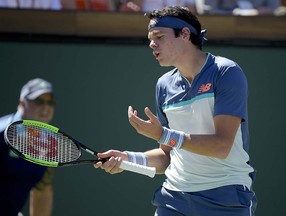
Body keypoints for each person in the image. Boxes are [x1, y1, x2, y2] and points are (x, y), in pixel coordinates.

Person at [95, 5, 257, 216]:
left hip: (225, 196)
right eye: (150, 38)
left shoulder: (226, 72)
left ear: (185, 34)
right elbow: (167, 155)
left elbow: (221, 145)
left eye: (160, 36)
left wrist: (164, 134)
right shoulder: (164, 85)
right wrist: (128, 159)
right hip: (174, 197)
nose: (152, 44)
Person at [0, 78, 56, 216]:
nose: (45, 107)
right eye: (38, 101)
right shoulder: (1, 133)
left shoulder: (51, 143)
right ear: (21, 102)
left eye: (50, 102)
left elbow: (41, 189)